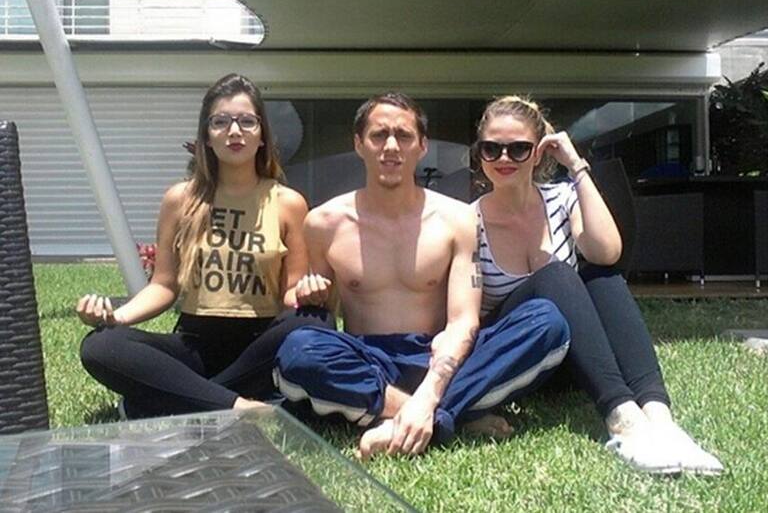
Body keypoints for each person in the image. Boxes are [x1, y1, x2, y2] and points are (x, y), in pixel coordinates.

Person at [273, 92, 570, 459]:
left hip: (436, 355)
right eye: (379, 135)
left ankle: (411, 415)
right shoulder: (324, 223)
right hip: (368, 359)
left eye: (404, 136)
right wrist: (310, 292)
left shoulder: (457, 219)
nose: (391, 147)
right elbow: (320, 311)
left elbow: (463, 320)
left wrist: (430, 391)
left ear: (422, 146)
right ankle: (445, 415)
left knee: (546, 322)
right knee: (299, 350)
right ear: (359, 144)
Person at [471, 95, 723, 475]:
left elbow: (607, 252)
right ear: (481, 153)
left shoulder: (561, 198)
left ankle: (660, 418)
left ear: (539, 153)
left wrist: (576, 166)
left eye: (518, 148)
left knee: (601, 277)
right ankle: (623, 419)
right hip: (519, 355)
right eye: (492, 148)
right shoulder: (467, 221)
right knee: (556, 274)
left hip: (571, 358)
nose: (504, 158)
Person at [77, 73, 333, 418]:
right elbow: (164, 285)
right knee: (100, 345)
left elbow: (291, 293)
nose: (234, 131)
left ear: (262, 136)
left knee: (317, 321)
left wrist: (309, 294)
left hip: (259, 348)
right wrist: (114, 317)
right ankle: (236, 405)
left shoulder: (288, 203)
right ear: (206, 137)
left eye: (247, 121)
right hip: (194, 344)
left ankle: (173, 399)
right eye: (221, 121)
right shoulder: (180, 200)